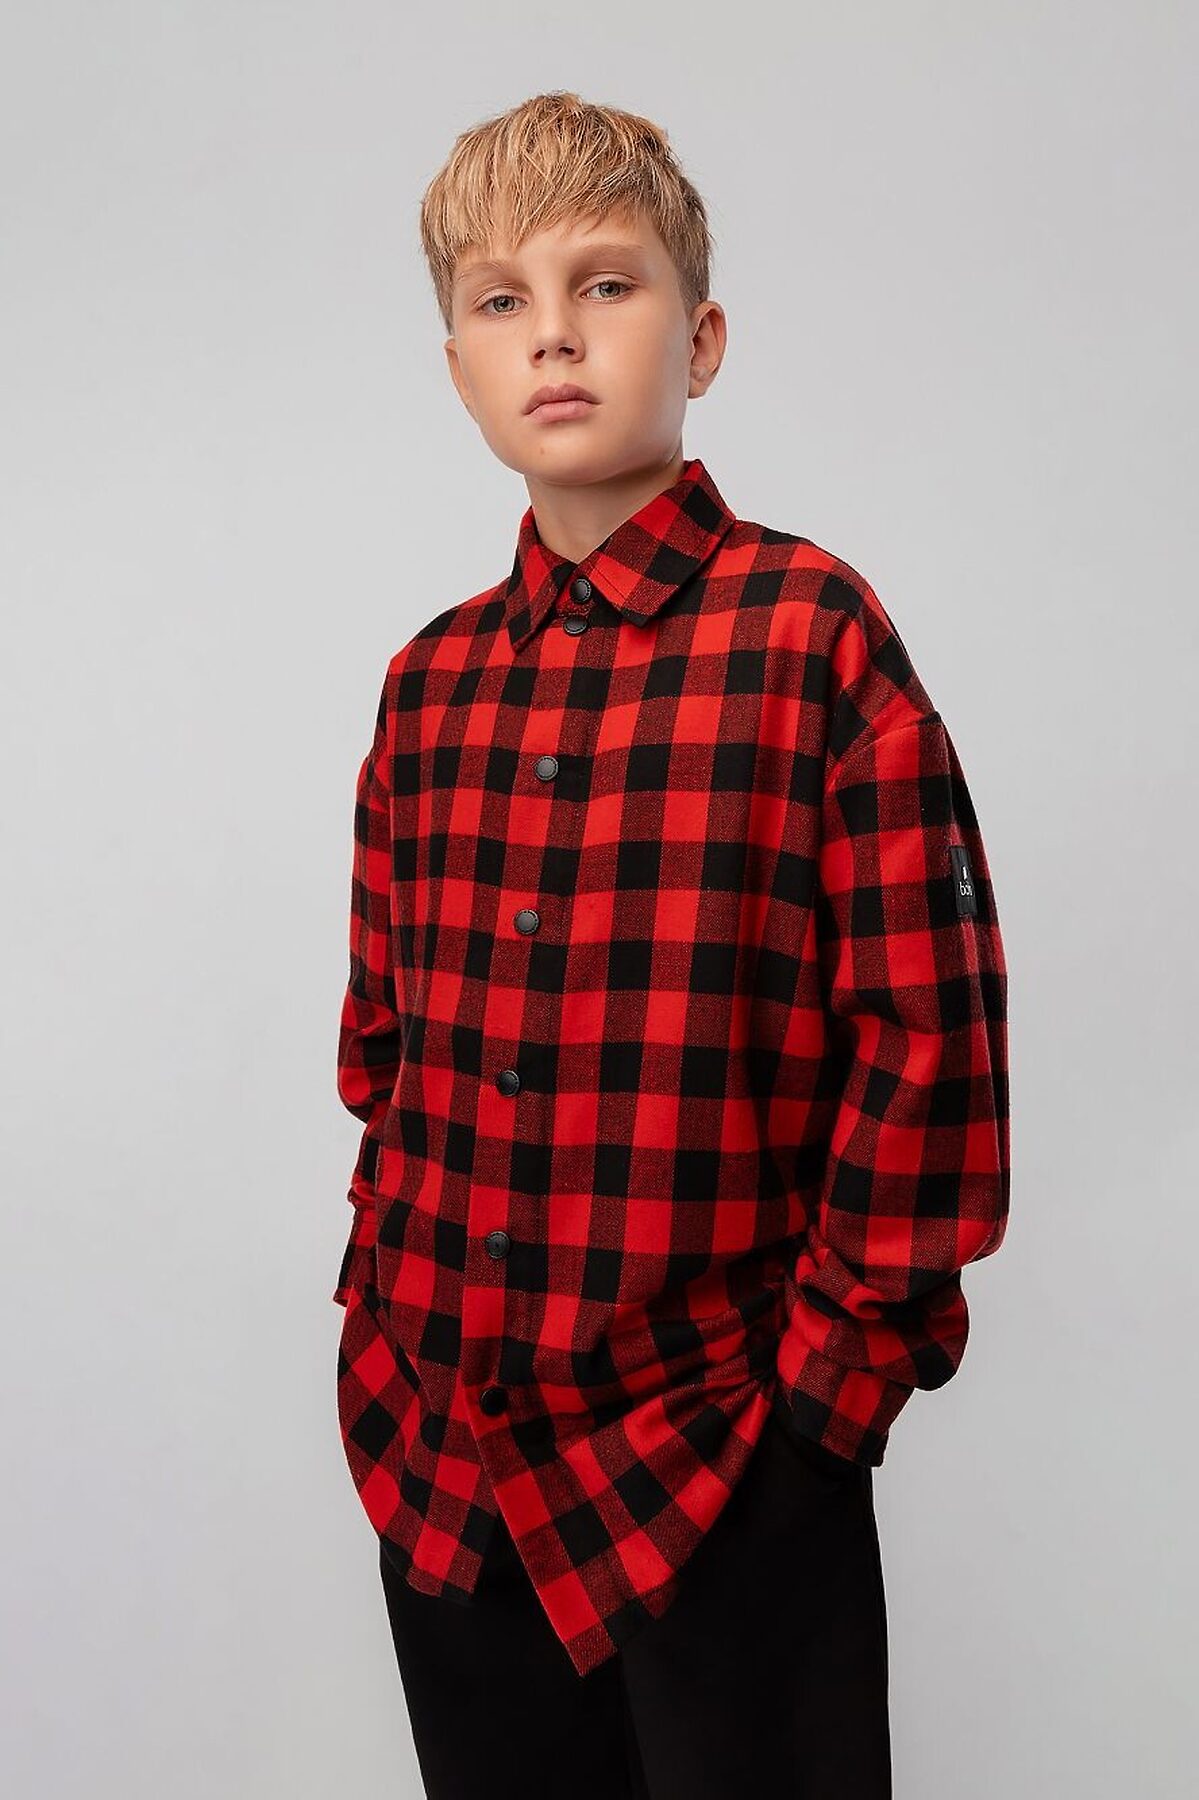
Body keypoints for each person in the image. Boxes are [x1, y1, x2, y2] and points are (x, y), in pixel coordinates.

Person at [332, 88, 1010, 1800]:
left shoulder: (812, 636)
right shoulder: (428, 685)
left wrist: (820, 1415)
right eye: (501, 300)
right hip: (448, 1468)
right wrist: (384, 1328)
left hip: (714, 1463)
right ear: (460, 369)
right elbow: (384, 1051)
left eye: (607, 285)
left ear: (699, 338)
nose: (554, 335)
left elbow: (929, 1046)